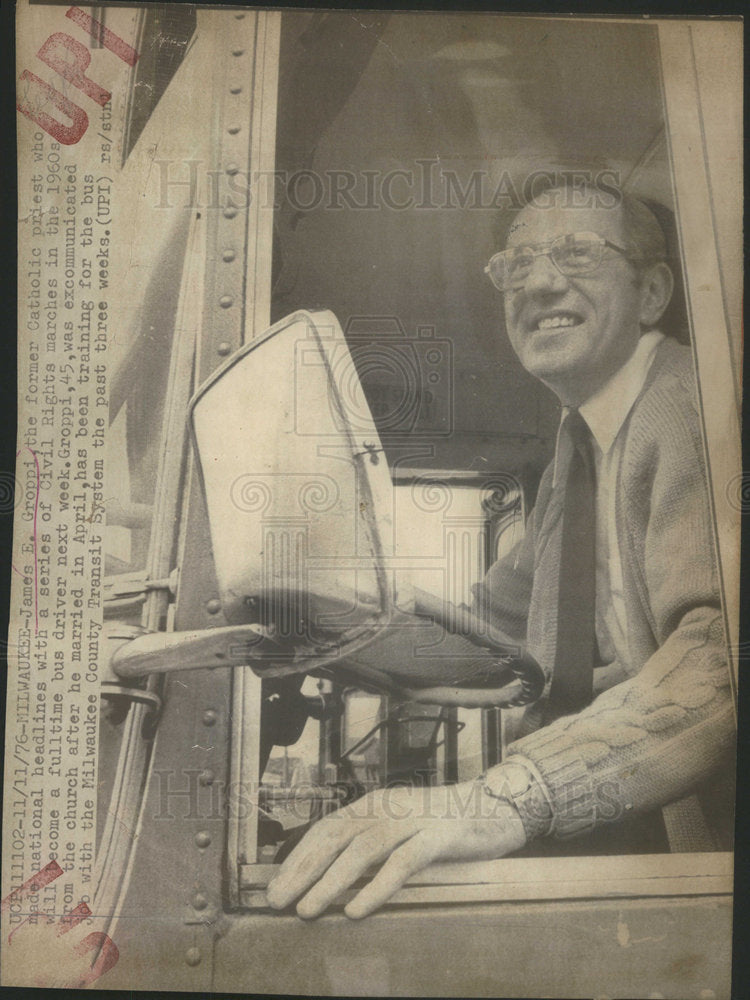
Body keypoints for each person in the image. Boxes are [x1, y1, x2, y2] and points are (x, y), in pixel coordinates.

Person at [266, 179, 735, 920]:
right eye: (517, 265)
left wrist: (502, 797)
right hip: (624, 820)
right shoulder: (576, 454)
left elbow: (723, 657)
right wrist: (313, 630)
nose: (539, 283)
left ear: (651, 293)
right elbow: (486, 633)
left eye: (577, 253)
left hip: (705, 854)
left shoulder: (696, 411)